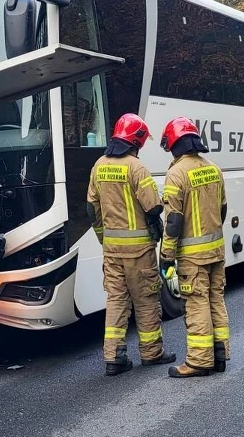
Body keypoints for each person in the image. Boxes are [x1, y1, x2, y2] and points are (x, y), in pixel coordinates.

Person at [87, 113, 177, 376]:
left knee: (116, 300)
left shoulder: (99, 166)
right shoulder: (136, 168)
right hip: (139, 252)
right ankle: (152, 353)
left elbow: (92, 210)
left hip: (112, 251)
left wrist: (104, 237)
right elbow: (153, 205)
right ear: (136, 140)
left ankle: (114, 358)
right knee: (147, 300)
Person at [158, 116, 230, 378]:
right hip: (216, 251)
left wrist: (166, 256)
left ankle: (199, 361)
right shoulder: (213, 168)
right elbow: (222, 209)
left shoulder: (176, 173)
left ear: (174, 144)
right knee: (215, 301)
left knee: (196, 304)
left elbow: (173, 221)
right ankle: (220, 354)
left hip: (192, 257)